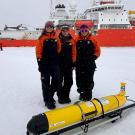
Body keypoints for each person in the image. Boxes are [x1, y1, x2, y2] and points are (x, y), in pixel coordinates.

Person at [36, 21, 61, 109]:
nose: (49, 28)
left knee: (57, 80)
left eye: (51, 26)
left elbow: (59, 48)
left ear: (53, 28)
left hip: (54, 63)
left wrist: (56, 58)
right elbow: (38, 51)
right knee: (45, 82)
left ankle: (50, 96)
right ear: (45, 28)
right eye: (47, 26)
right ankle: (48, 100)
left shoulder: (56, 38)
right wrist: (40, 63)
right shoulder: (41, 38)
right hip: (45, 64)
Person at [75, 24, 101, 101]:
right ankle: (82, 93)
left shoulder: (93, 39)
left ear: (88, 31)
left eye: (85, 30)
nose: (84, 32)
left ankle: (88, 93)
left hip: (89, 64)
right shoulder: (76, 40)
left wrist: (94, 57)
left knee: (89, 80)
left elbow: (97, 50)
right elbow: (73, 51)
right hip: (79, 64)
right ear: (80, 31)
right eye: (82, 30)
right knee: (79, 80)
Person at [57, 25, 76, 104]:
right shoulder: (57, 40)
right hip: (59, 65)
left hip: (68, 65)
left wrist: (74, 63)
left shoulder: (72, 40)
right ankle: (60, 96)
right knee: (59, 81)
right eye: (63, 31)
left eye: (66, 31)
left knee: (69, 81)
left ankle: (66, 96)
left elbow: (74, 53)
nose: (65, 32)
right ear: (61, 31)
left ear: (69, 31)